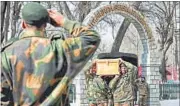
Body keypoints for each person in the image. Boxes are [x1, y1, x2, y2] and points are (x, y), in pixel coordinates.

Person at [1, 2, 100, 106]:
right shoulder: (61, 49)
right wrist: (64, 22)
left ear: (23, 24)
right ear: (45, 24)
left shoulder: (6, 54)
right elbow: (92, 38)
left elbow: (2, 99)